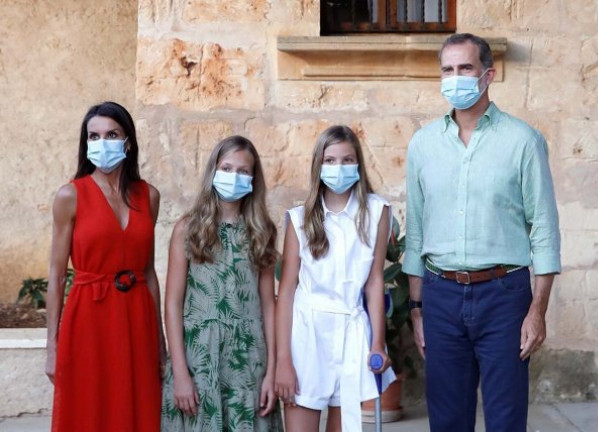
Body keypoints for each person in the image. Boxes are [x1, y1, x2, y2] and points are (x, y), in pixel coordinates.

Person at [403, 33, 561, 432]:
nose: (455, 78)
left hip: (504, 296)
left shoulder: (523, 141)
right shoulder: (423, 145)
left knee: (506, 419)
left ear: (488, 75)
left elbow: (543, 227)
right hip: (440, 297)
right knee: (447, 420)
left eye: (465, 68)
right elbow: (416, 231)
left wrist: (537, 310)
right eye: (447, 69)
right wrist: (416, 310)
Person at [45, 101, 165, 431]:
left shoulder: (149, 196)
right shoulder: (70, 195)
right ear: (86, 144)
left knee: (138, 410)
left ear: (127, 142)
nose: (102, 143)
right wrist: (51, 346)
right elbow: (56, 277)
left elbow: (149, 272)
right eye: (93, 136)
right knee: (87, 409)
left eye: (111, 134)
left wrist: (161, 342)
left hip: (136, 318)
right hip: (87, 317)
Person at [275, 125, 396, 432]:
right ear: (318, 165)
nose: (338, 168)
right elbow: (287, 290)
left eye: (347, 160)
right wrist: (283, 360)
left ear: (359, 165)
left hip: (351, 333)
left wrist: (378, 344)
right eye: (330, 160)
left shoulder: (376, 212)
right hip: (307, 335)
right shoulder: (300, 219)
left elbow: (374, 282)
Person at [161, 135, 283, 431]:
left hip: (248, 359)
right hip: (199, 359)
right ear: (213, 171)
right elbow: (173, 304)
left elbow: (269, 305)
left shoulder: (262, 232)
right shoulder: (187, 229)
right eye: (227, 168)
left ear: (254, 178)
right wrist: (179, 371)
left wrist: (271, 372)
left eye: (243, 171)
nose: (234, 176)